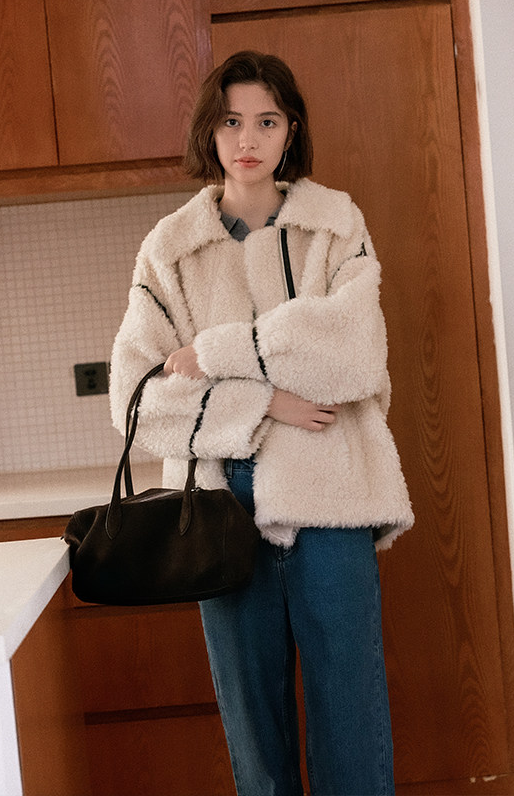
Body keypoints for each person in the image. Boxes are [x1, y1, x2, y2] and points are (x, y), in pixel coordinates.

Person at [110, 50, 414, 796]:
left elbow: (354, 353)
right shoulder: (170, 249)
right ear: (209, 132)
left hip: (332, 494)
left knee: (351, 715)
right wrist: (264, 402)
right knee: (255, 729)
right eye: (231, 121)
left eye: (267, 122)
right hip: (219, 509)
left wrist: (219, 354)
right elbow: (137, 397)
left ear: (290, 131)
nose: (247, 139)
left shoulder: (335, 225)